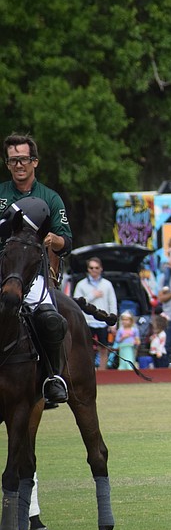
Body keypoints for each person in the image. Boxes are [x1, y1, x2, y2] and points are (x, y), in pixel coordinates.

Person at [1, 134, 73, 404]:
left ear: (35, 162)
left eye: (23, 159)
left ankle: (52, 378)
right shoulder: (0, 195)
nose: (18, 165)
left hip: (32, 275)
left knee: (51, 320)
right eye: (12, 160)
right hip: (2, 269)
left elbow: (66, 241)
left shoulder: (51, 198)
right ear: (8, 164)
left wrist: (54, 239)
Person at [73, 257, 117, 370]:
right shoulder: (81, 285)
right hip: (87, 321)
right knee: (87, 348)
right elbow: (77, 302)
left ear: (101, 269)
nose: (94, 270)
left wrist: (113, 322)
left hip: (102, 322)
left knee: (103, 348)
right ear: (88, 269)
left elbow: (112, 303)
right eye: (91, 268)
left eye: (96, 268)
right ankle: (89, 371)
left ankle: (103, 372)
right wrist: (92, 296)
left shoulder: (107, 284)